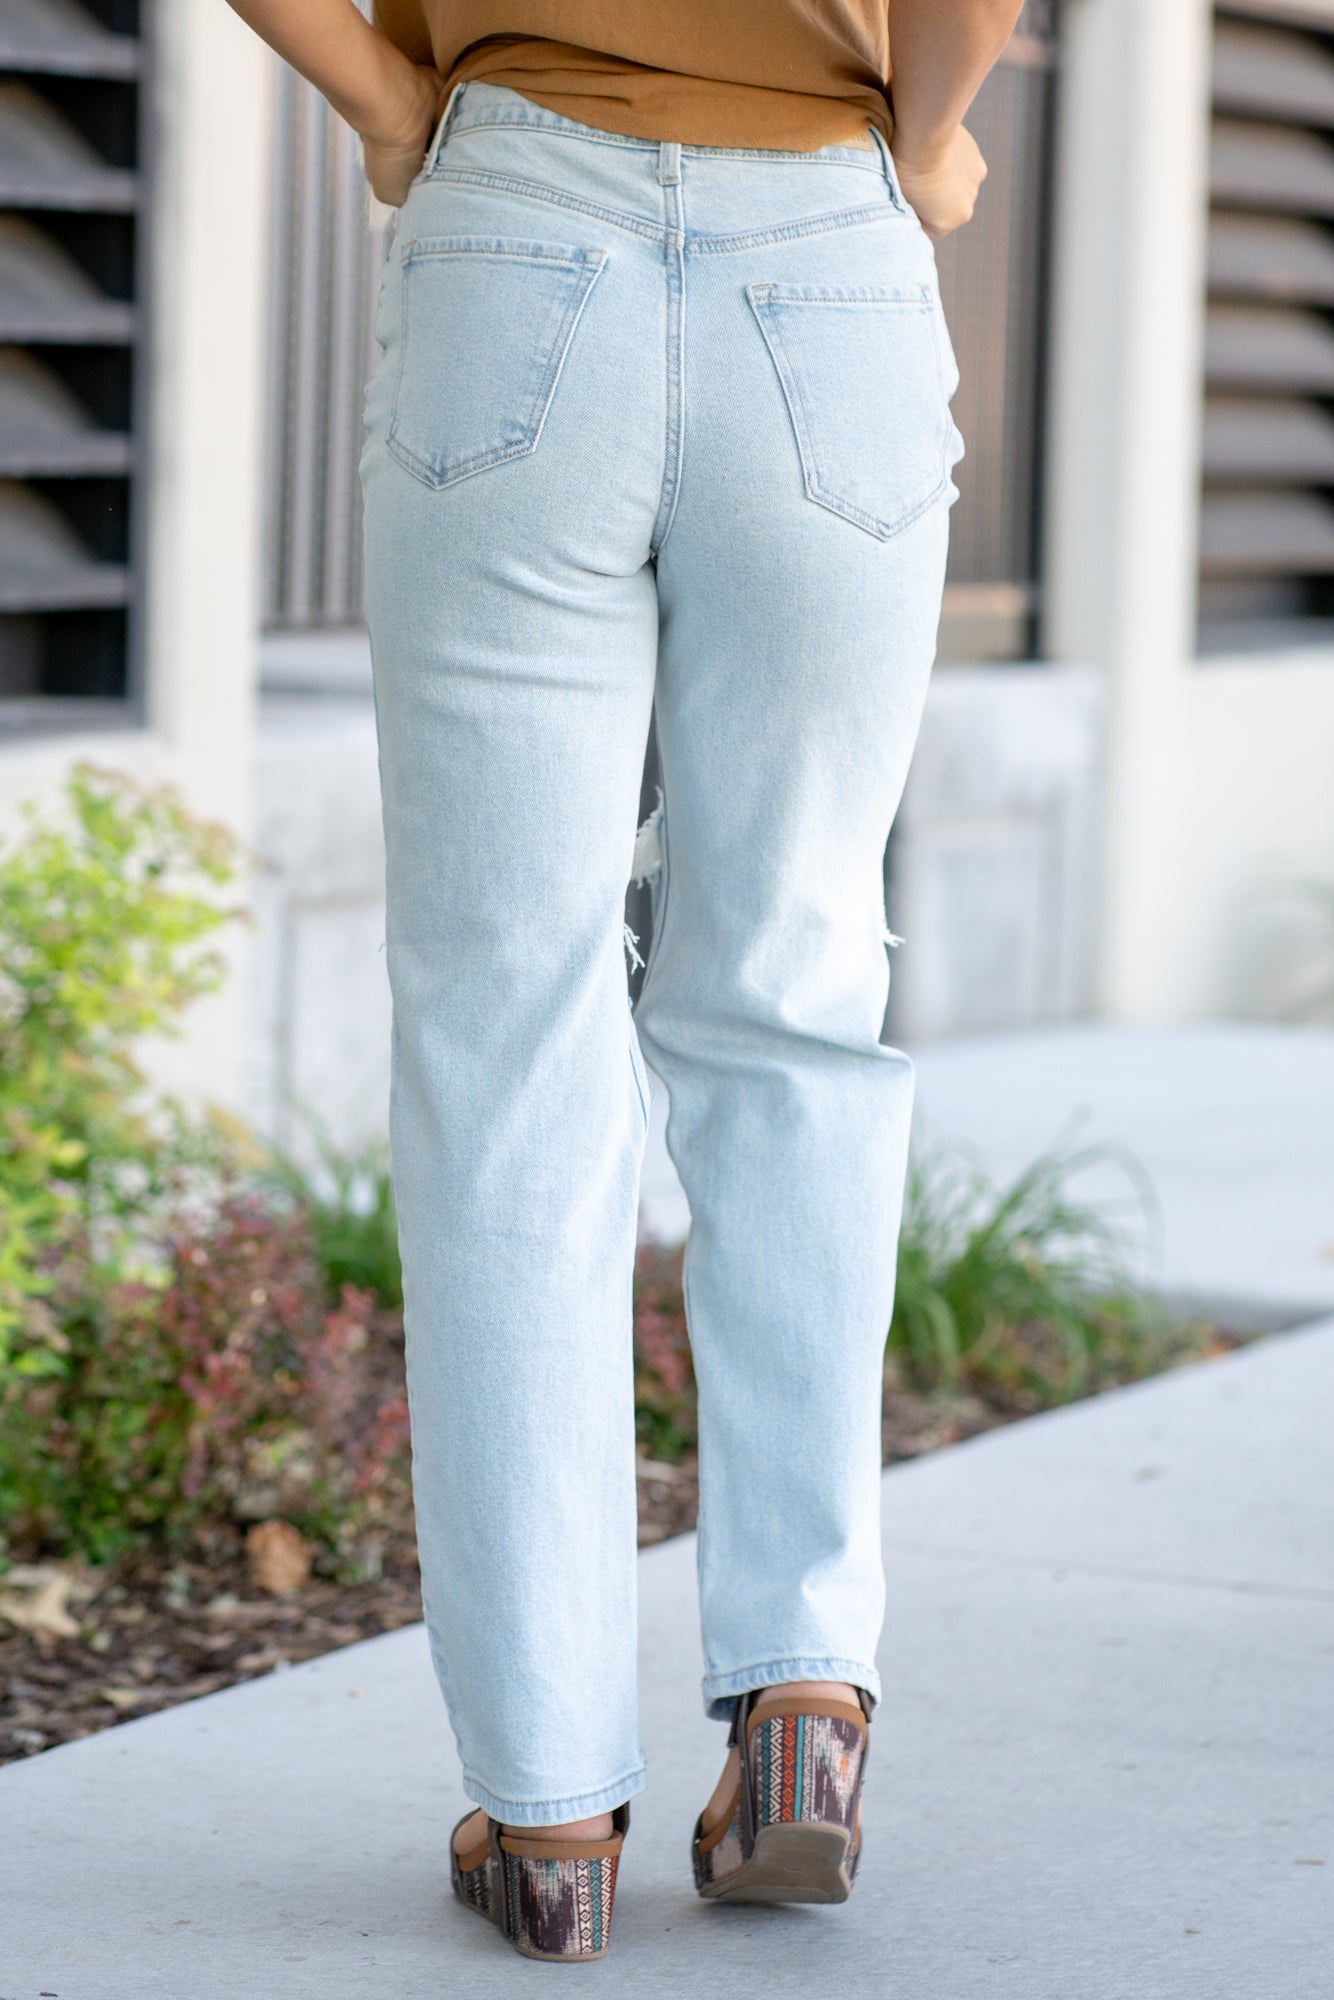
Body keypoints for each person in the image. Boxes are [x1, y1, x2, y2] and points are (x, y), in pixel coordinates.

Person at [224, 0, 1021, 1964]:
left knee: (506, 1035)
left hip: (515, 245)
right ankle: (803, 1693)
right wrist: (929, 131)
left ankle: (548, 1805)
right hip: (826, 263)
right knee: (797, 998)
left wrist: (382, 96)